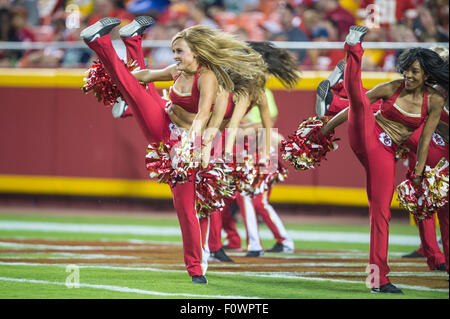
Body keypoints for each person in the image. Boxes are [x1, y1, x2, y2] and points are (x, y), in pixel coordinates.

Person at [80, 17, 263, 284]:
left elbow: (203, 115)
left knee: (187, 211)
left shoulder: (208, 77)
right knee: (134, 86)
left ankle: (196, 269)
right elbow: (145, 76)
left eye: (180, 51)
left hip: (181, 145)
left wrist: (193, 146)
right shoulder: (176, 71)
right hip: (163, 121)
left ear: (197, 53)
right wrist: (122, 83)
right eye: (174, 51)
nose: (175, 56)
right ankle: (121, 41)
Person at [327, 25, 447, 293]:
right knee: (359, 101)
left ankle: (378, 279)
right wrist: (323, 130)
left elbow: (425, 138)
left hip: (386, 149)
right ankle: (353, 49)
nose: (408, 75)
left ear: (427, 74)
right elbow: (355, 106)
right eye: (406, 69)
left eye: (414, 71)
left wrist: (418, 170)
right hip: (367, 132)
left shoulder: (435, 100)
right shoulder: (392, 87)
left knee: (380, 211)